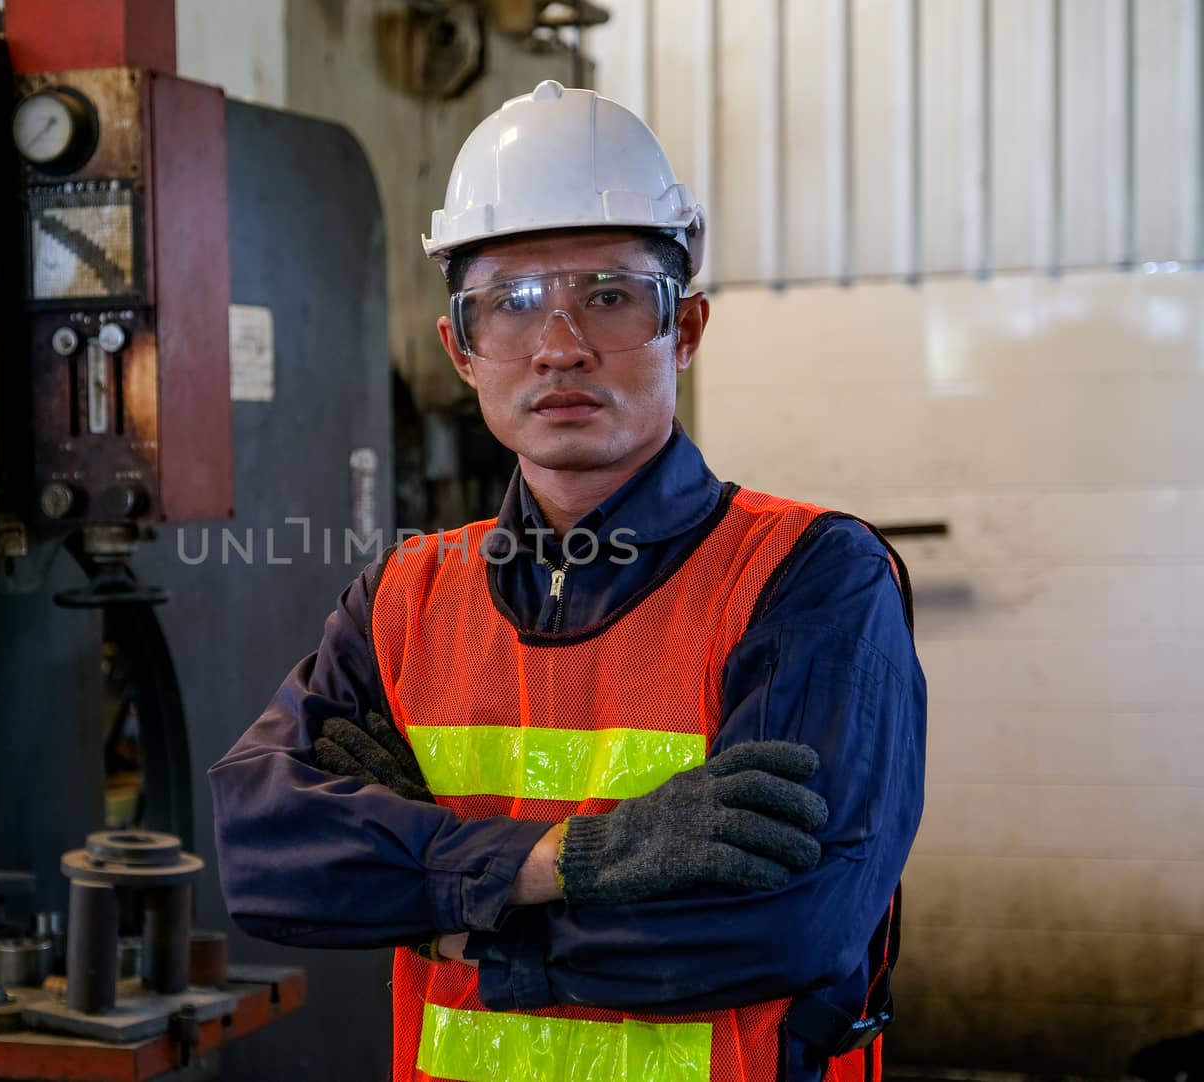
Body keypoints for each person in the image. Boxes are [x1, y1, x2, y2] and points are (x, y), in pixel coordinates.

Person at [209, 79, 926, 1082]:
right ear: (461, 349)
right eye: (510, 303)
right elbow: (263, 852)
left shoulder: (807, 578)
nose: (558, 344)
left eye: (609, 295)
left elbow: (790, 923)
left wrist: (447, 907)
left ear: (686, 328)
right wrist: (562, 864)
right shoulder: (404, 596)